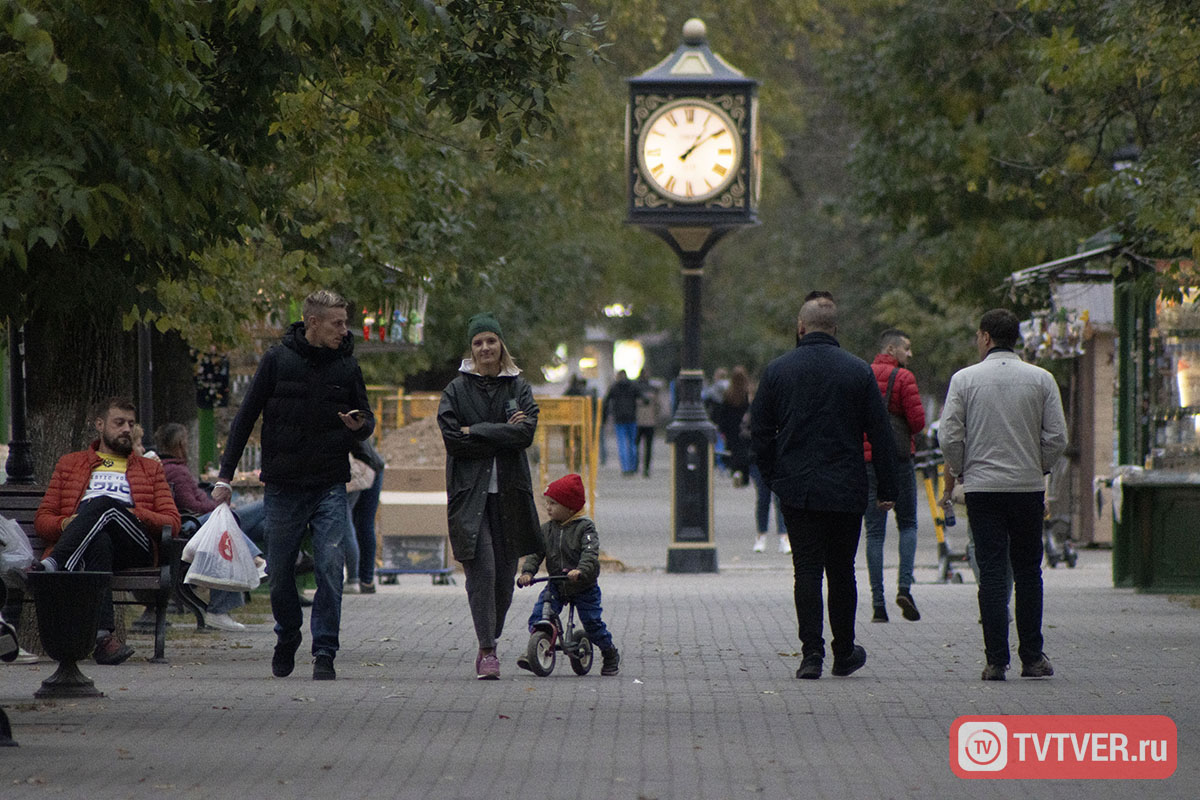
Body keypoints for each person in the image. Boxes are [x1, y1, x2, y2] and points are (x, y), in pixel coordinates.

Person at [212, 289, 374, 681]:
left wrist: (361, 425)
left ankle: (325, 651)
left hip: (329, 484)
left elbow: (365, 418)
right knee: (281, 571)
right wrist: (225, 476)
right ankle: (287, 635)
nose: (344, 330)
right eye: (337, 323)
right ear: (313, 323)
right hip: (284, 485)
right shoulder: (277, 361)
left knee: (330, 566)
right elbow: (245, 417)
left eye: (344, 322)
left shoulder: (347, 367)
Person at [750, 295, 898, 680]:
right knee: (843, 571)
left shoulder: (778, 371)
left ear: (801, 327)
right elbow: (881, 434)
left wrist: (773, 476)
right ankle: (844, 650)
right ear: (835, 330)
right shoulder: (857, 371)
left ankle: (810, 654)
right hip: (846, 485)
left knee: (807, 571)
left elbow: (760, 431)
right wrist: (887, 487)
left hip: (797, 487)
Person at [939, 309, 1067, 681]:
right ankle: (1032, 656)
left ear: (984, 337)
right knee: (1028, 572)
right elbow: (1057, 436)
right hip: (1026, 489)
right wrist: (1038, 465)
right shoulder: (1041, 380)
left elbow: (949, 436)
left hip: (982, 490)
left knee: (992, 573)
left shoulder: (964, 380)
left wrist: (963, 468)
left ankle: (996, 661)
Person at [32, 397, 182, 665]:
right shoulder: (70, 464)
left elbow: (173, 521)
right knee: (98, 538)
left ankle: (54, 563)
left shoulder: (149, 469)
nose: (126, 429)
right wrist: (71, 524)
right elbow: (43, 520)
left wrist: (133, 514)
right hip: (91, 545)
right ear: (100, 425)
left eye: (131, 424)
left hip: (135, 544)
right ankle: (103, 640)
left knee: (103, 503)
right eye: (119, 423)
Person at [438, 312, 541, 680]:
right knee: (482, 570)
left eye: (491, 341)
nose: (485, 348)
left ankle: (489, 631)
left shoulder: (518, 388)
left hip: (509, 496)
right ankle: (487, 650)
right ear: (472, 348)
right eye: (478, 342)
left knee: (503, 578)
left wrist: (476, 431)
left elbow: (525, 435)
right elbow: (453, 440)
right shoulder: (456, 390)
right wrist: (501, 433)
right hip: (470, 498)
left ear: (501, 346)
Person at [155, 422, 264, 631]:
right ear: (180, 444)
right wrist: (218, 505)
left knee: (250, 523)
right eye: (186, 441)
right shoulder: (177, 471)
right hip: (194, 526)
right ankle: (261, 560)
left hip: (197, 522)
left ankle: (260, 560)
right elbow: (191, 504)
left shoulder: (172, 468)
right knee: (258, 509)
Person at [516, 473, 620, 676]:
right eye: (547, 503)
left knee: (592, 623)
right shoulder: (547, 530)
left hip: (583, 585)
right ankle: (538, 647)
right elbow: (536, 553)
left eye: (553, 504)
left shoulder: (585, 528)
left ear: (570, 507)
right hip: (557, 583)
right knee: (540, 615)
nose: (548, 508)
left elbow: (590, 553)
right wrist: (528, 572)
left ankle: (609, 653)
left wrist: (580, 570)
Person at [862, 328, 926, 623]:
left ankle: (877, 604)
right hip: (899, 460)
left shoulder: (861, 375)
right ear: (892, 349)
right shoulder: (904, 378)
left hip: (868, 461)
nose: (909, 354)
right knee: (908, 524)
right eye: (907, 348)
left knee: (874, 532)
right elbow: (917, 423)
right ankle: (904, 588)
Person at [342, 438, 385, 594]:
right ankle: (365, 580)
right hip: (369, 467)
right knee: (362, 524)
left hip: (362, 470)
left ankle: (359, 579)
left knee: (354, 524)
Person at [603, 370, 641, 475]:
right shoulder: (633, 386)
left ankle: (625, 468)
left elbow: (606, 401)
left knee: (622, 444)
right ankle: (633, 466)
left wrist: (605, 417)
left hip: (619, 419)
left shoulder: (614, 387)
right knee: (633, 443)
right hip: (631, 417)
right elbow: (642, 398)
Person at [634, 370, 661, 478]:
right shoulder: (653, 389)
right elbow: (658, 406)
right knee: (648, 446)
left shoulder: (635, 389)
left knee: (636, 444)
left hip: (638, 421)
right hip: (650, 421)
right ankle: (646, 468)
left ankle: (636, 466)